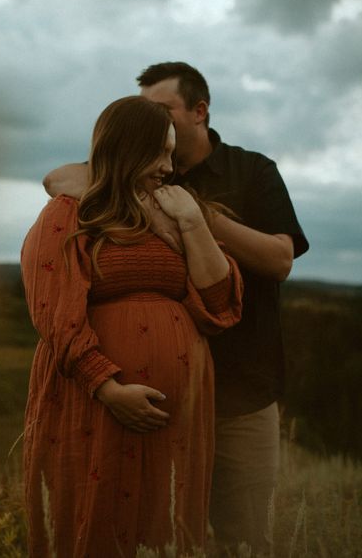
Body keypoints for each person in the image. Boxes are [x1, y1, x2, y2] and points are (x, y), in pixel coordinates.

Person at [43, 63, 309, 556]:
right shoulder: (136, 178)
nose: (154, 124)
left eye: (161, 110)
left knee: (243, 537)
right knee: (155, 534)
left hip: (241, 386)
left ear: (198, 111)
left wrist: (195, 217)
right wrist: (128, 189)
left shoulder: (250, 171)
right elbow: (57, 177)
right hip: (146, 399)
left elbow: (280, 259)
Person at [21, 95, 243, 558]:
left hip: (176, 419)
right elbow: (54, 312)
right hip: (95, 403)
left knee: (163, 531)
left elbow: (220, 306)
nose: (168, 166)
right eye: (158, 152)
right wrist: (108, 387)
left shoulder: (178, 213)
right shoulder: (71, 211)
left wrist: (190, 222)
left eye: (171, 152)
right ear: (127, 147)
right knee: (96, 521)